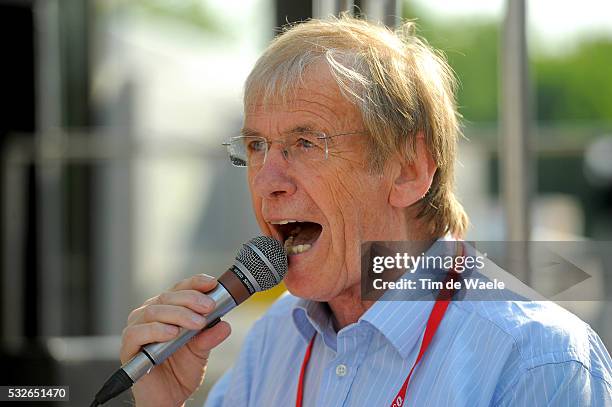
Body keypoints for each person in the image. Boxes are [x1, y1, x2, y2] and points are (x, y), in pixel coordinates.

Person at [120, 16, 612, 406]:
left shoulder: (538, 360)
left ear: (407, 170)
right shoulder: (275, 338)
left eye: (306, 143)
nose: (267, 182)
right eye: (255, 146)